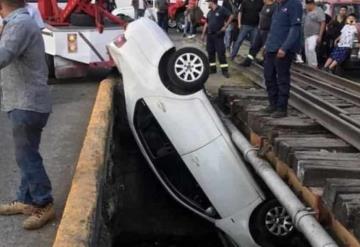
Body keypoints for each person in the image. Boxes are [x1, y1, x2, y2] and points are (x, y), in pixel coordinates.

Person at [0, 0, 54, 230]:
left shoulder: (19, 24)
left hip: (27, 102)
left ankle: (45, 203)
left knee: (27, 156)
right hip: (25, 101)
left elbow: (2, 57)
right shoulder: (19, 22)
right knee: (26, 153)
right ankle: (25, 199)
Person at [263, 0, 303, 118]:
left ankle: (281, 108)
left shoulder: (294, 5)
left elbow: (295, 29)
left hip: (282, 50)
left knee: (282, 79)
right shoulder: (278, 6)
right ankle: (273, 104)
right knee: (268, 76)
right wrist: (267, 44)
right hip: (271, 47)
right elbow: (274, 27)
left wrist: (285, 47)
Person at [201, 0, 233, 78]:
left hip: (218, 35)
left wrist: (225, 26)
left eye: (209, 2)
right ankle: (213, 69)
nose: (208, 4)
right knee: (210, 53)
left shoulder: (222, 9)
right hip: (210, 36)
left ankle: (225, 71)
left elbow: (231, 16)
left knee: (221, 53)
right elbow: (206, 23)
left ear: (212, 2)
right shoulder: (209, 12)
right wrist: (203, 34)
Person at [241, 0, 276, 66]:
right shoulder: (264, 6)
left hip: (267, 32)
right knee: (254, 46)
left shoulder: (275, 7)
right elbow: (261, 16)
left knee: (266, 48)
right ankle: (248, 61)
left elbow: (274, 21)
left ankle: (266, 63)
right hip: (260, 30)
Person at [303, 0, 325, 68]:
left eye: (307, 5)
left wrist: (320, 35)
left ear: (312, 4)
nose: (306, 6)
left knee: (311, 49)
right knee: (307, 52)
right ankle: (309, 66)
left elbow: (322, 23)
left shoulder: (319, 10)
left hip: (314, 34)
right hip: (306, 35)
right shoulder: (306, 11)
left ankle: (314, 66)